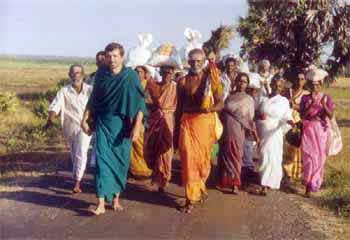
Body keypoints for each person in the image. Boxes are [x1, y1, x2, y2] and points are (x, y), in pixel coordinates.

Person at [81, 42, 147, 215]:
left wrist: (138, 125)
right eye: (109, 56)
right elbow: (94, 99)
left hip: (123, 125)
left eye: (115, 56)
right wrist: (85, 118)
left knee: (120, 163)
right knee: (102, 163)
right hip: (103, 123)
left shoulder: (130, 76)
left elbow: (140, 103)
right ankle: (101, 203)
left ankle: (116, 200)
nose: (112, 60)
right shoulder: (102, 74)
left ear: (122, 57)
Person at [176, 48, 223, 213]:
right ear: (188, 62)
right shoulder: (182, 81)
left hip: (204, 123)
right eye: (192, 61)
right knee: (189, 161)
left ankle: (200, 187)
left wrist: (209, 109)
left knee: (203, 163)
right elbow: (179, 108)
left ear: (203, 62)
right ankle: (190, 198)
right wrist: (175, 133)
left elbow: (220, 103)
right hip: (187, 123)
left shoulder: (212, 79)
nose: (195, 63)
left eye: (198, 61)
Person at [46, 64, 92, 194]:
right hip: (70, 127)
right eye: (73, 73)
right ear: (69, 75)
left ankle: (77, 181)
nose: (76, 75)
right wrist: (51, 119)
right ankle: (76, 176)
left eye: (78, 73)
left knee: (81, 152)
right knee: (74, 153)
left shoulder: (90, 90)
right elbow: (55, 105)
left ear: (83, 75)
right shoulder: (64, 91)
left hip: (86, 127)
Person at [216, 73, 256, 194]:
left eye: (244, 81)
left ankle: (235, 184)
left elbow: (250, 118)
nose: (241, 83)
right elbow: (222, 110)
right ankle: (224, 181)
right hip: (226, 129)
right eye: (239, 80)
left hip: (238, 130)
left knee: (235, 155)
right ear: (236, 82)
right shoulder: (229, 96)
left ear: (247, 84)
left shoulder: (249, 99)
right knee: (224, 154)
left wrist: (252, 131)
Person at [257, 76, 294, 195]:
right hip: (263, 130)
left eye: (279, 86)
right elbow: (257, 113)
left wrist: (292, 122)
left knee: (273, 156)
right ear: (271, 85)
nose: (276, 88)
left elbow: (287, 115)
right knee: (263, 156)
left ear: (282, 88)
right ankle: (263, 180)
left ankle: (265, 185)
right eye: (275, 85)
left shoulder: (283, 101)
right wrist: (259, 118)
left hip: (275, 132)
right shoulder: (264, 99)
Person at [144, 64, 177, 193]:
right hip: (155, 119)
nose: (168, 74)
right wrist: (154, 108)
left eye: (170, 72)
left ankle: (164, 179)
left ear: (173, 74)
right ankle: (156, 176)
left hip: (168, 120)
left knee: (166, 151)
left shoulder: (175, 88)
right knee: (153, 148)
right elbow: (145, 99)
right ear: (161, 72)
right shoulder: (154, 85)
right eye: (165, 72)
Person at [300, 75, 334, 197]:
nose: (315, 87)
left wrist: (324, 105)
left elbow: (330, 116)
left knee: (319, 158)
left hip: (321, 130)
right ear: (309, 85)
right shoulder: (305, 98)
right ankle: (308, 186)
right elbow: (302, 115)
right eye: (313, 85)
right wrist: (311, 104)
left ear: (321, 85)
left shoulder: (326, 98)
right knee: (309, 157)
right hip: (308, 129)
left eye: (317, 85)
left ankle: (314, 183)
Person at [283, 72, 309, 183]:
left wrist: (294, 106)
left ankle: (295, 173)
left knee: (296, 147)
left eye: (302, 79)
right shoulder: (288, 91)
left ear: (305, 81)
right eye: (298, 79)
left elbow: (307, 108)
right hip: (287, 121)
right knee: (286, 146)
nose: (299, 81)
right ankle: (286, 173)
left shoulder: (306, 94)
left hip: (298, 121)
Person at [127, 66, 153, 179]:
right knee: (132, 145)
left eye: (140, 71)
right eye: (136, 71)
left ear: (145, 73)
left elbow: (151, 101)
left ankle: (145, 171)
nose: (137, 73)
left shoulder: (149, 85)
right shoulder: (130, 85)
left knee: (143, 145)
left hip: (145, 119)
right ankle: (134, 170)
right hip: (131, 117)